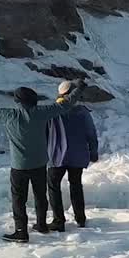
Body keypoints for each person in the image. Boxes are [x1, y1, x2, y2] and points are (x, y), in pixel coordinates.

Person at [0, 80, 86, 243]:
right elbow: (66, 104)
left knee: (18, 199)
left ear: (18, 101)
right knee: (40, 195)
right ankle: (41, 224)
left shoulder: (9, 115)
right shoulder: (42, 112)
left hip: (19, 166)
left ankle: (21, 231)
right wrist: (79, 88)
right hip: (40, 164)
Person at [46, 80, 99, 231]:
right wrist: (93, 152)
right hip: (78, 155)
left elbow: (44, 134)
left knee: (53, 186)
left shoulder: (52, 110)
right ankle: (80, 219)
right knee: (76, 185)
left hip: (57, 156)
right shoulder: (82, 112)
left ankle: (58, 221)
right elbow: (91, 133)